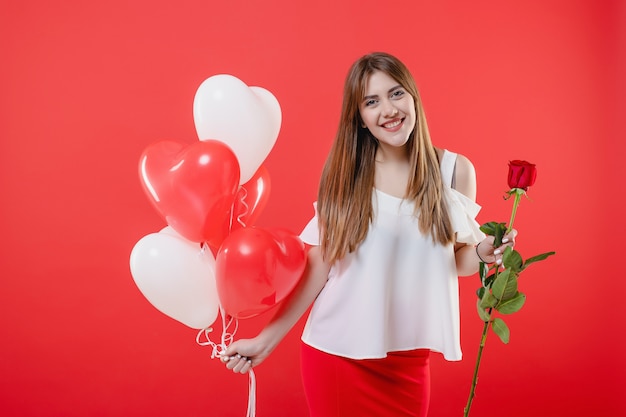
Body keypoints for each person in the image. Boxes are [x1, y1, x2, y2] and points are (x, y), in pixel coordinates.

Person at [220, 52, 516, 417]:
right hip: (337, 355)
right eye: (372, 102)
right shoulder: (348, 175)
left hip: (408, 362)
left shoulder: (454, 171)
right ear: (360, 119)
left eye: (396, 94)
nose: (388, 110)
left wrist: (485, 252)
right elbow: (320, 265)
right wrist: (267, 340)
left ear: (413, 97)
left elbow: (457, 261)